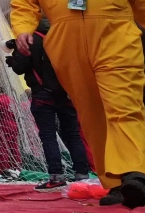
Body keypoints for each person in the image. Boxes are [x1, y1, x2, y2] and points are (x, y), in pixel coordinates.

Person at [10, 0, 145, 207]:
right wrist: (23, 29)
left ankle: (135, 173)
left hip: (116, 38)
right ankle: (115, 183)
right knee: (92, 115)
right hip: (67, 46)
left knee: (124, 105)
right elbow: (23, 3)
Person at [5, 20, 92, 189]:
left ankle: (56, 176)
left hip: (42, 93)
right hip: (67, 93)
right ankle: (82, 175)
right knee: (73, 134)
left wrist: (12, 60)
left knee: (48, 135)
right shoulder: (64, 37)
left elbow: (20, 67)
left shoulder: (29, 39)